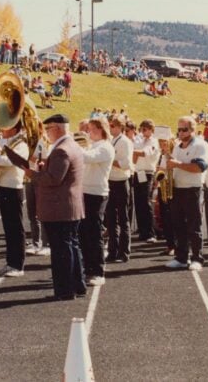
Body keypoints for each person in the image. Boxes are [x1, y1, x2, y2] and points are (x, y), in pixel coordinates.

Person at [25, 114, 86, 300]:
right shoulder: (72, 145)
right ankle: (78, 285)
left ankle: (65, 290)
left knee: (61, 250)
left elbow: (53, 179)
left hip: (60, 208)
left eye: (48, 129)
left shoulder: (61, 150)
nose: (46, 133)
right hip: (69, 206)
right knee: (71, 246)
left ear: (57, 128)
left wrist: (32, 174)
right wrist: (45, 167)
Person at [164, 116, 208, 271]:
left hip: (192, 189)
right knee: (178, 225)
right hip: (178, 188)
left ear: (192, 130)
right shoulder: (177, 146)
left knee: (194, 225)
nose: (181, 133)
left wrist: (177, 164)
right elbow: (174, 165)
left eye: (184, 129)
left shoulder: (200, 145)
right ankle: (181, 257)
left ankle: (198, 258)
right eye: (179, 129)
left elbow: (199, 167)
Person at [0, 121, 29, 277]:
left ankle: (18, 265)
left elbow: (11, 161)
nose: (2, 129)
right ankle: (11, 262)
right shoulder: (8, 142)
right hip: (4, 186)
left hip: (13, 187)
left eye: (6, 126)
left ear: (13, 128)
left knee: (16, 228)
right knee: (9, 228)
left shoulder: (21, 144)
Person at [80, 117, 114, 286]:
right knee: (84, 234)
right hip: (85, 191)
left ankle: (98, 271)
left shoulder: (106, 147)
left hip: (96, 193)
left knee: (94, 234)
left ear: (101, 130)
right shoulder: (92, 145)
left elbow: (87, 158)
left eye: (92, 129)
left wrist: (71, 145)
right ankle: (87, 268)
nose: (88, 132)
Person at [105, 114, 133, 263]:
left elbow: (126, 164)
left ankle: (124, 251)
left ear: (120, 127)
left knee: (123, 217)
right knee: (110, 218)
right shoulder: (110, 140)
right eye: (110, 125)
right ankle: (112, 250)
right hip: (110, 181)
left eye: (113, 126)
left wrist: (109, 160)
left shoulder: (125, 142)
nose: (110, 128)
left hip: (121, 181)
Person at [132, 119, 160, 242]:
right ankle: (142, 230)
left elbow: (144, 153)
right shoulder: (140, 139)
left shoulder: (154, 142)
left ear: (151, 130)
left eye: (145, 129)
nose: (142, 132)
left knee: (146, 202)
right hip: (138, 172)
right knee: (138, 202)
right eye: (141, 129)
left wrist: (131, 152)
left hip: (147, 173)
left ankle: (150, 233)